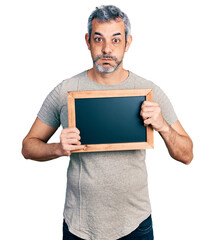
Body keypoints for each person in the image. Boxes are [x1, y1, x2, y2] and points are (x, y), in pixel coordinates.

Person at [22, 5, 193, 240]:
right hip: (79, 227)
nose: (106, 49)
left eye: (115, 40)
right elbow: (28, 146)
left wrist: (162, 125)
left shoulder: (149, 92)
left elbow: (187, 154)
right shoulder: (65, 92)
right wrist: (57, 149)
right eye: (98, 39)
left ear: (128, 42)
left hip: (135, 225)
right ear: (87, 41)